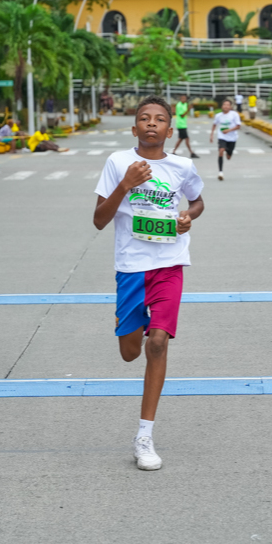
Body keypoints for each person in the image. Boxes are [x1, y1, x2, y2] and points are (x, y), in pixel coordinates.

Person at [93, 96, 205, 471]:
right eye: (144, 118)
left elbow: (198, 202)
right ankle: (128, 323)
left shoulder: (182, 166)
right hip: (131, 267)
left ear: (170, 130)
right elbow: (98, 220)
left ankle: (144, 436)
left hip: (169, 263)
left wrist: (188, 215)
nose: (152, 124)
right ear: (134, 128)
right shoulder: (118, 163)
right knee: (130, 352)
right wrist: (125, 185)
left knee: (157, 343)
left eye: (159, 119)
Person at [210, 98, 241, 181]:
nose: (226, 106)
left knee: (228, 157)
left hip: (232, 138)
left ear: (230, 107)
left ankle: (228, 152)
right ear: (222, 106)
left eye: (228, 105)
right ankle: (220, 172)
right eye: (224, 105)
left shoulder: (234, 115)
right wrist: (211, 135)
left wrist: (229, 130)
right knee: (221, 150)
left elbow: (238, 126)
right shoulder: (218, 115)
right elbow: (214, 124)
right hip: (222, 137)